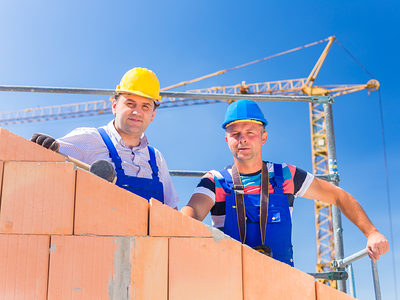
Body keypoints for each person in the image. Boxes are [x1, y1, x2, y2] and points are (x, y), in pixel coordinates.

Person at [181, 99, 388, 266]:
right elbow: (190, 217)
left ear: (263, 137)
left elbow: (338, 196)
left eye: (250, 133)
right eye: (235, 134)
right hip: (230, 284)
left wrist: (372, 233)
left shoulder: (285, 175)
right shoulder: (214, 180)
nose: (242, 139)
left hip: (280, 285)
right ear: (227, 140)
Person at [31, 67, 178, 209]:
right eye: (130, 103)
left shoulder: (156, 159)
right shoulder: (89, 139)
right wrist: (41, 150)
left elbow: (172, 210)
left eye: (145, 106)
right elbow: (44, 165)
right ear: (114, 106)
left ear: (153, 115)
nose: (137, 112)